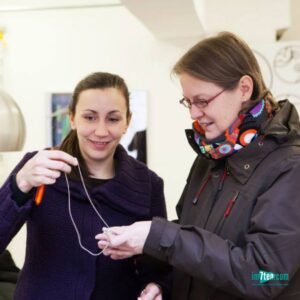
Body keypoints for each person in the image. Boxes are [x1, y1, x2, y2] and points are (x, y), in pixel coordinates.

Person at [96, 32, 300, 300]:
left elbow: (268, 275)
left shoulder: (289, 167)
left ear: (244, 88)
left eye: (202, 101)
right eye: (188, 102)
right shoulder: (211, 154)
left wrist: (160, 236)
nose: (193, 114)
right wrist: (165, 283)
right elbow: (196, 239)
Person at [0, 72, 169, 300]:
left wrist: (157, 285)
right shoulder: (40, 168)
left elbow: (157, 264)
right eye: (89, 117)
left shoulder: (149, 185)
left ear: (127, 121)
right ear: (72, 118)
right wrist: (19, 185)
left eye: (113, 119)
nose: (100, 131)